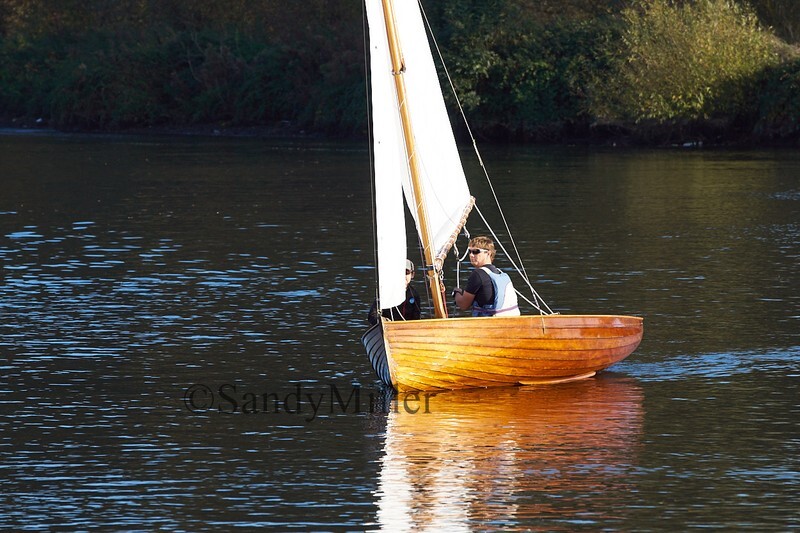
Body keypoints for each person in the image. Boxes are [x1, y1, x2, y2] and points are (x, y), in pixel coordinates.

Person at [452, 236, 520, 317]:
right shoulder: (499, 273)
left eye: (476, 252)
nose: (471, 255)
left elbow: (464, 305)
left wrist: (456, 293)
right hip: (510, 320)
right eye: (469, 251)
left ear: (488, 253)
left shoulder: (477, 274)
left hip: (489, 322)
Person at [368, 259, 422, 325]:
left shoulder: (414, 295)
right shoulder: (385, 292)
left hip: (408, 329)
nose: (403, 276)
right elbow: (372, 316)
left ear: (412, 274)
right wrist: (384, 322)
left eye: (406, 272)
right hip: (388, 327)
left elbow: (417, 318)